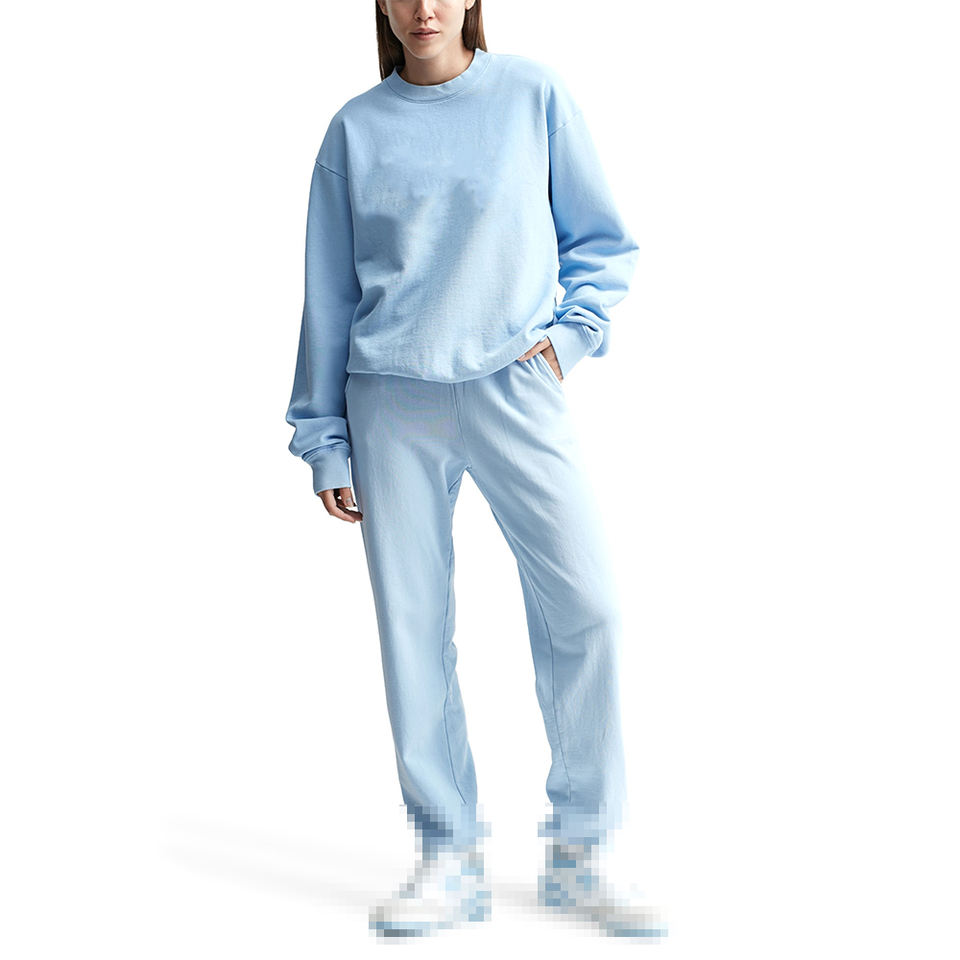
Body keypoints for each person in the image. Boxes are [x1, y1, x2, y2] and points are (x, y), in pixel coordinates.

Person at [285, 0, 665, 940]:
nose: (424, 8)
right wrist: (324, 436)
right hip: (390, 400)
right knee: (413, 630)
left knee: (589, 608)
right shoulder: (354, 130)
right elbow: (327, 292)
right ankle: (448, 855)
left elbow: (601, 239)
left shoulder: (533, 96)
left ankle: (581, 849)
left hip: (515, 385)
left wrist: (571, 338)